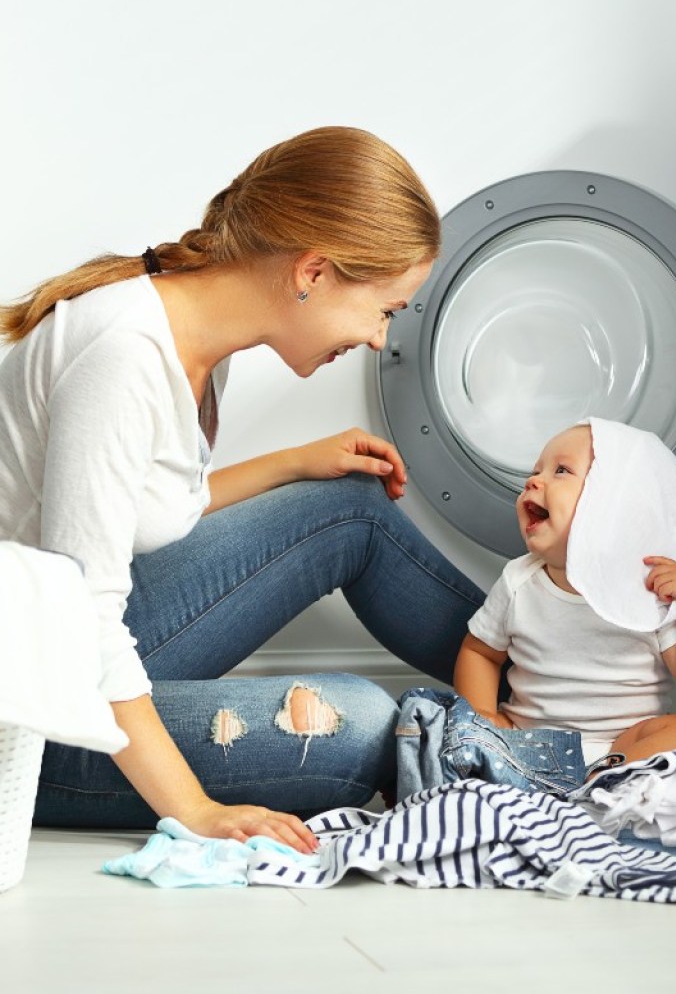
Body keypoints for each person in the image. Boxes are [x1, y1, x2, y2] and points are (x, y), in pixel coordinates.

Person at [0, 126, 485, 851]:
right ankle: (525, 739)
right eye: (384, 310)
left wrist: (293, 462)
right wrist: (193, 810)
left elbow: (138, 511)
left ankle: (557, 694)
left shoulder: (193, 340)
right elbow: (85, 619)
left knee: (349, 505)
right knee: (353, 723)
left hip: (60, 642)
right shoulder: (122, 358)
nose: (382, 338)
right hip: (33, 710)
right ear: (313, 272)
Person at [454, 420, 676, 771]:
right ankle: (588, 784)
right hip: (528, 740)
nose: (533, 481)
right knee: (444, 727)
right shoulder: (519, 581)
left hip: (625, 743)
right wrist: (483, 716)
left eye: (561, 471)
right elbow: (480, 652)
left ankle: (605, 778)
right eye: (536, 471)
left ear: (612, 502)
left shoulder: (646, 586)